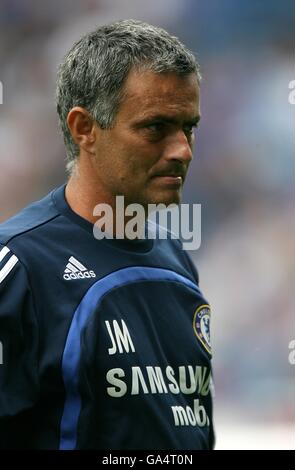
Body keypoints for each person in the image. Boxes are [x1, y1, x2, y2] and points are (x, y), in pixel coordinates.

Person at [0, 20, 214, 450]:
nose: (183, 150)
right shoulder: (20, 266)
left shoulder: (177, 258)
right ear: (84, 129)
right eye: (155, 127)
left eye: (188, 127)